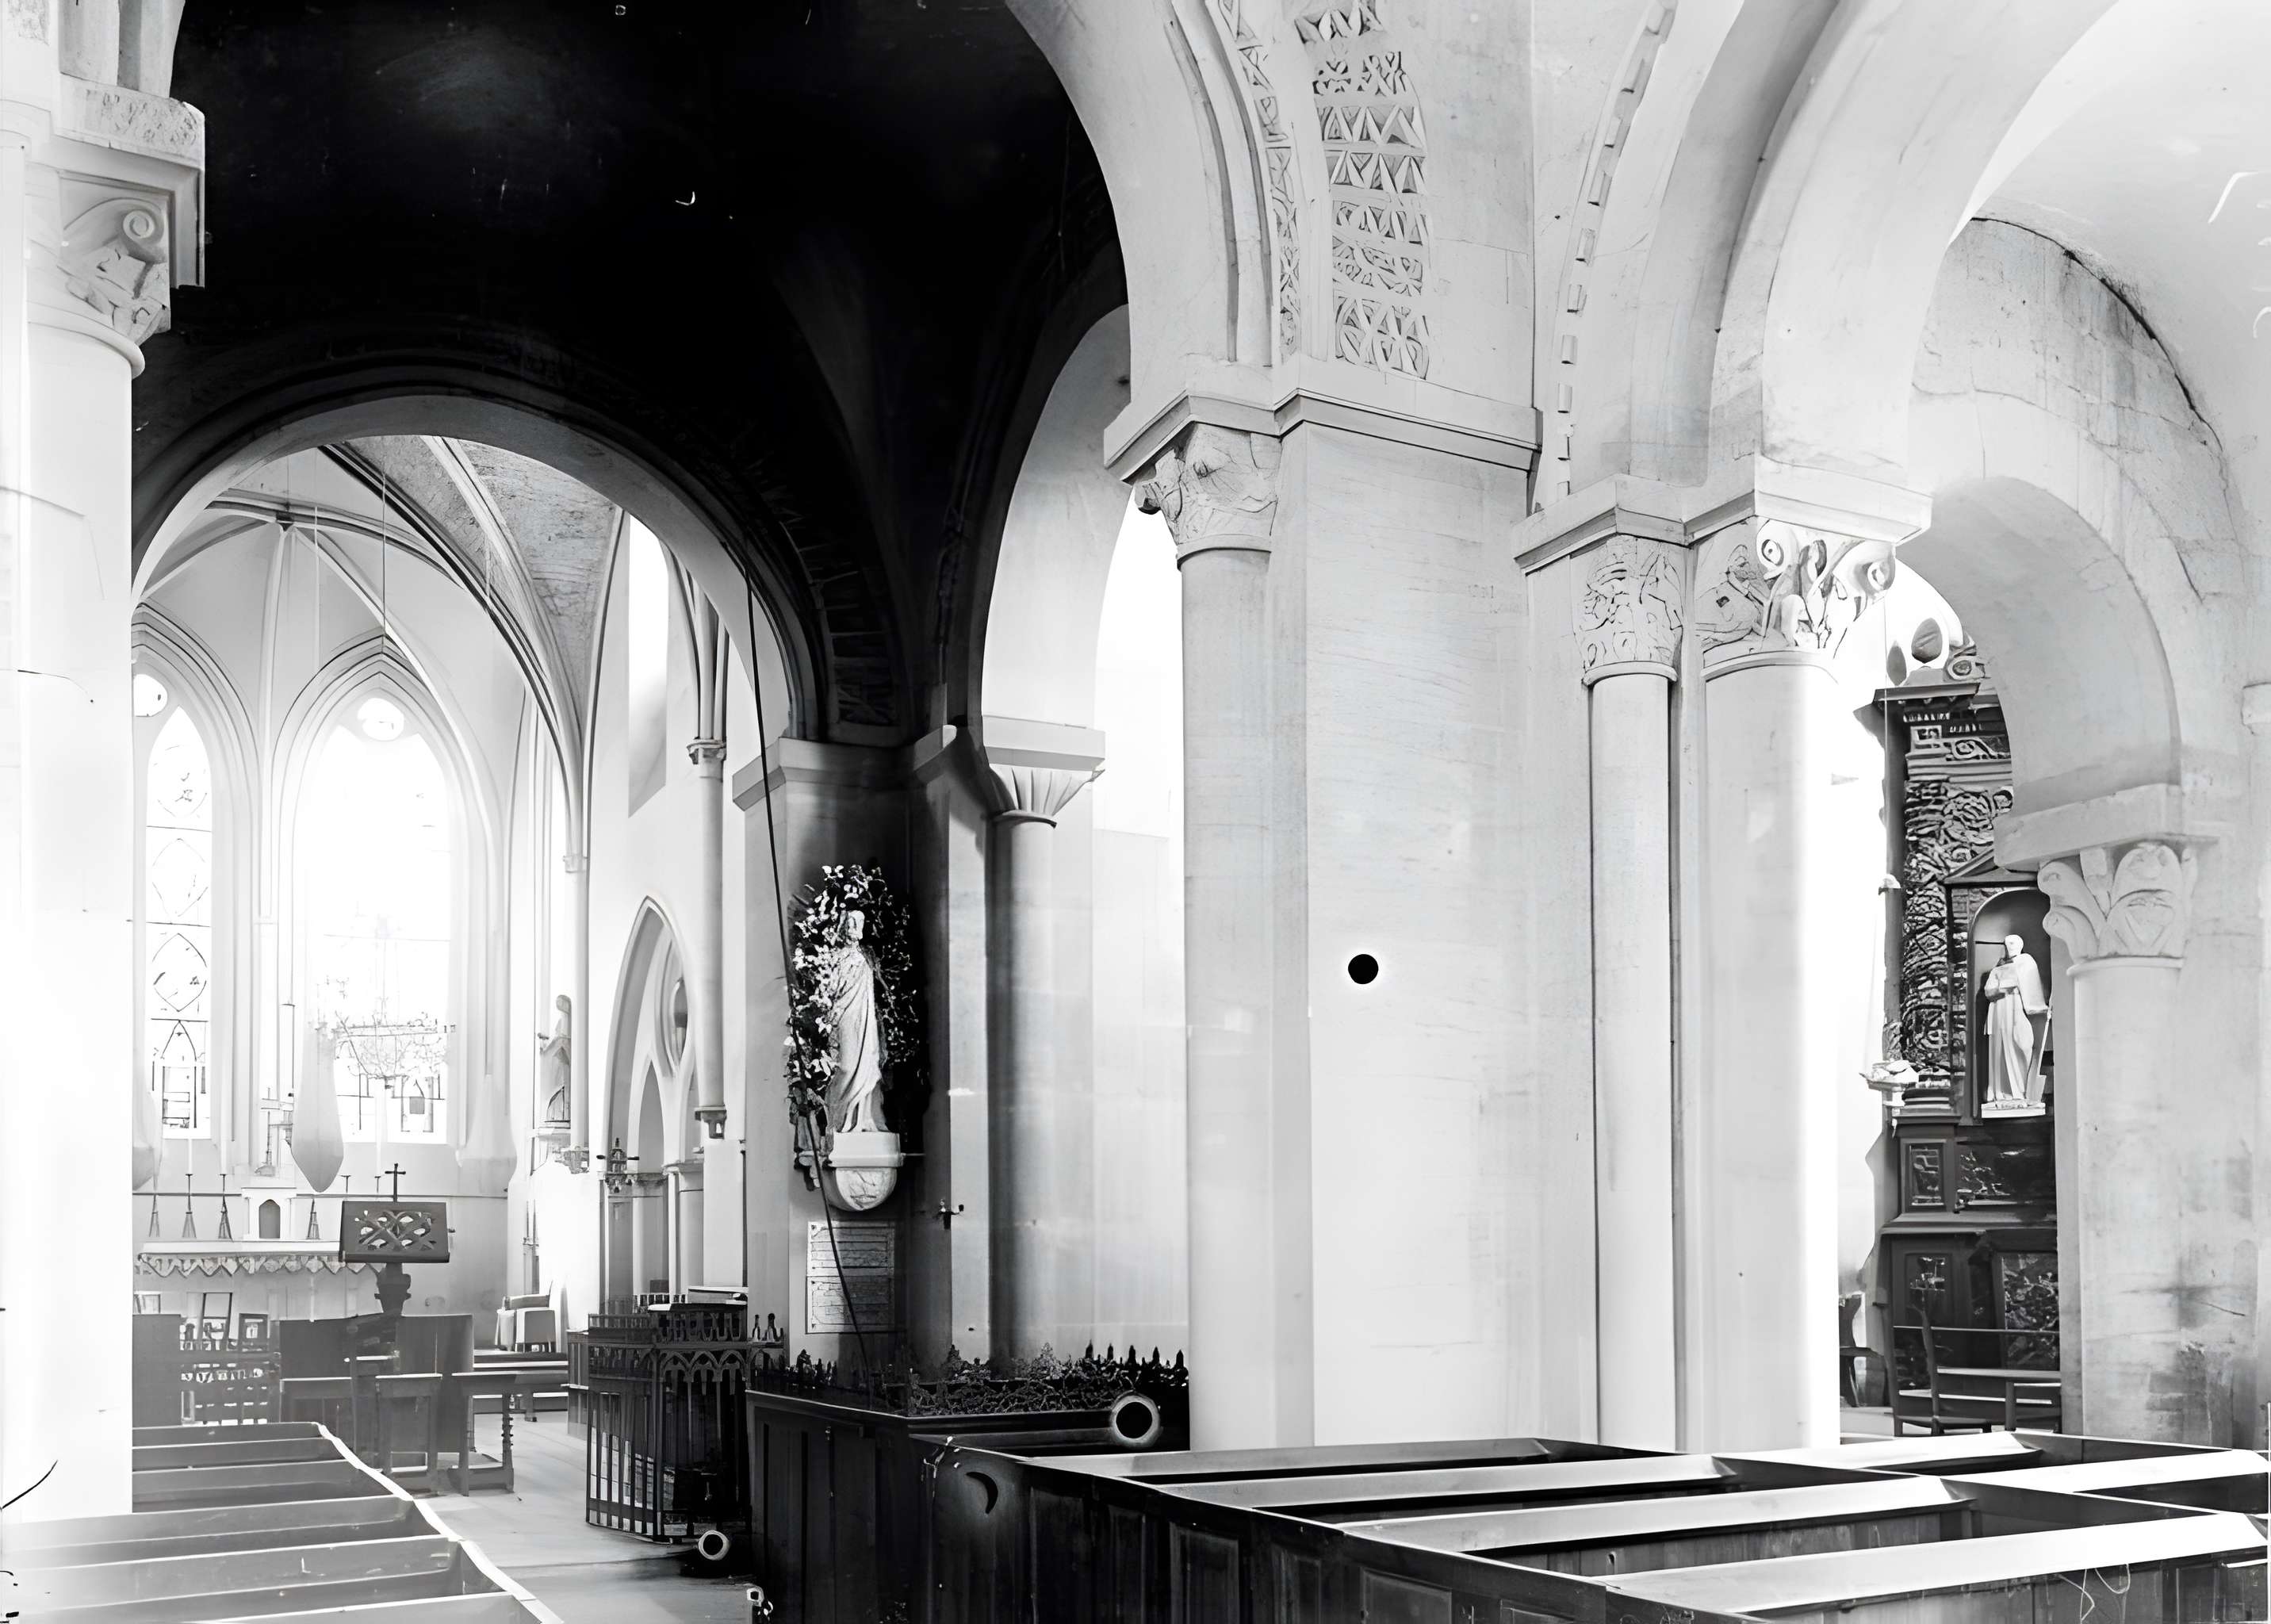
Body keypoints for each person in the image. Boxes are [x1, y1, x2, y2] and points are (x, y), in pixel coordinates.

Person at [821, 910, 888, 1134]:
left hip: (867, 1018)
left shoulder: (868, 956)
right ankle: (838, 1123)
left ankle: (865, 1120)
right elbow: (829, 990)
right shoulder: (836, 957)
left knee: (870, 1065)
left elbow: (879, 990)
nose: (855, 927)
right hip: (845, 1016)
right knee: (848, 1066)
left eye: (859, 922)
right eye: (851, 922)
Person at [1982, 934, 2047, 1109]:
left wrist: (2041, 1008)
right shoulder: (1997, 970)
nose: (2010, 947)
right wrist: (2004, 987)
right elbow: (1989, 991)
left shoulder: (2026, 962)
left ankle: (2022, 1090)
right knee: (2000, 1048)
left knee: (2023, 1043)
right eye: (2007, 944)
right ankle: (2001, 1092)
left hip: (2016, 1006)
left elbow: (2032, 988)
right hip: (1999, 1010)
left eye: (2013, 944)